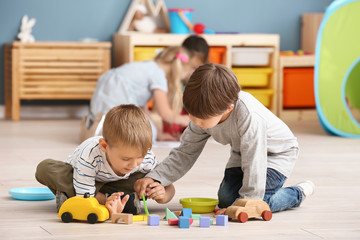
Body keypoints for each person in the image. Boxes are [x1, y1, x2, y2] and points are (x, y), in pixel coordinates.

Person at [134, 63, 315, 214]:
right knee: (227, 199)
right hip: (242, 152)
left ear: (228, 108)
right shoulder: (202, 116)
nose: (195, 122)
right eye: (191, 115)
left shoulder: (248, 115)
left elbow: (255, 159)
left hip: (276, 154)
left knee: (252, 203)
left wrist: (247, 202)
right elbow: (184, 153)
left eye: (202, 118)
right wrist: (156, 178)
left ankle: (297, 193)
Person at [36, 104, 175, 216]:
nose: (133, 164)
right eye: (126, 158)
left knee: (146, 180)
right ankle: (122, 202)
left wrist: (163, 194)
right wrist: (106, 200)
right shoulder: (90, 156)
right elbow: (86, 197)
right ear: (104, 146)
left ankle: (71, 198)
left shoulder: (147, 157)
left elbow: (169, 184)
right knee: (45, 168)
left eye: (140, 157)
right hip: (80, 180)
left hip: (114, 185)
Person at [80, 46, 193, 143]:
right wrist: (188, 120)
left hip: (108, 86)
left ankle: (96, 126)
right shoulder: (159, 75)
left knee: (147, 127)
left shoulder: (149, 66)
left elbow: (143, 111)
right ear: (177, 69)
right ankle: (106, 133)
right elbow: (166, 113)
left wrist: (159, 134)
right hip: (119, 91)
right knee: (145, 134)